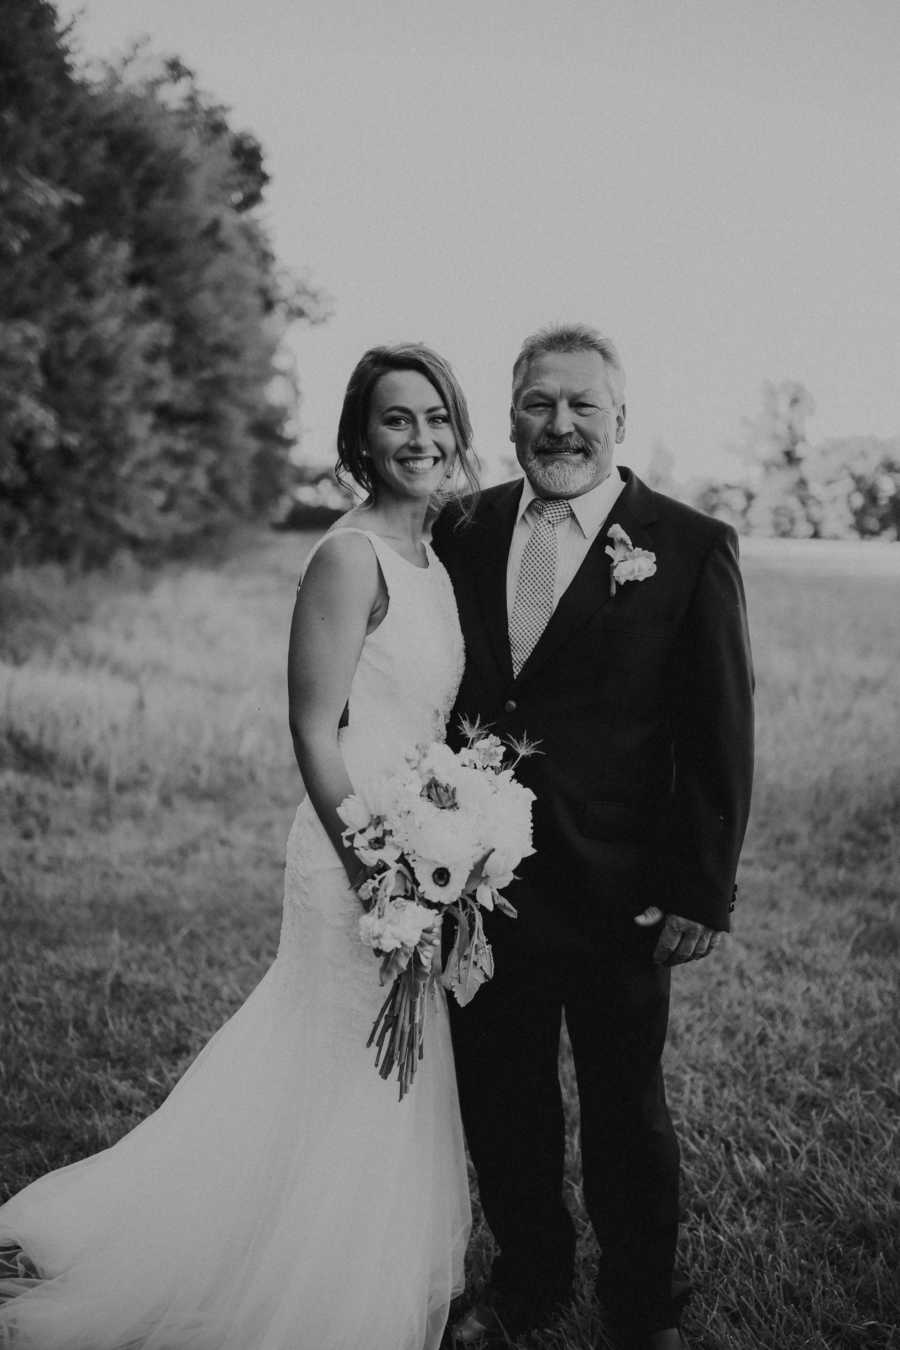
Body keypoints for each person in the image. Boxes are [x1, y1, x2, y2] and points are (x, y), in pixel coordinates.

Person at [0, 344, 478, 1350]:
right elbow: (315, 728)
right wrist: (378, 874)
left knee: (375, 1065)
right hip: (355, 850)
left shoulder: (435, 556)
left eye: (435, 416)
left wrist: (454, 842)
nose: (421, 437)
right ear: (359, 437)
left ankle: (353, 1263)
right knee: (343, 1055)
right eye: (397, 419)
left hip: (422, 845)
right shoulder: (348, 557)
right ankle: (310, 1289)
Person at [432, 324, 754, 1350]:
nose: (559, 424)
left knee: (627, 1112)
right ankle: (529, 1278)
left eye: (582, 405)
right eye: (538, 403)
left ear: (622, 418)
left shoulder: (691, 544)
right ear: (512, 412)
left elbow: (719, 733)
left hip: (622, 892)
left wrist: (703, 889)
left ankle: (640, 1304)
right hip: (483, 886)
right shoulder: (463, 527)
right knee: (504, 1100)